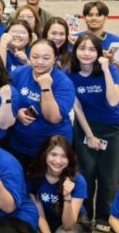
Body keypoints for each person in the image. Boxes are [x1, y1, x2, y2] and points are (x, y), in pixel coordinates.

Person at [69, 33, 119, 233]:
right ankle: (85, 214)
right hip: (86, 126)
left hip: (115, 126)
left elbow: (113, 101)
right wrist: (90, 135)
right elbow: (77, 107)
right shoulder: (70, 74)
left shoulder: (109, 69)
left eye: (92, 49)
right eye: (82, 48)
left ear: (98, 52)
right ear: (75, 51)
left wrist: (105, 69)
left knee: (109, 173)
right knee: (86, 171)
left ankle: (105, 215)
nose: (86, 53)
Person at [25, 136, 92, 233]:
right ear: (45, 155)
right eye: (53, 154)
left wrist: (67, 196)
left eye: (64, 156)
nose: (58, 161)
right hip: (47, 221)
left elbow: (68, 225)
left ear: (70, 158)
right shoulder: (35, 177)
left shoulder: (77, 181)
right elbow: (41, 217)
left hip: (73, 222)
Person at [8, 39, 76, 168]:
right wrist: (16, 112)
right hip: (18, 144)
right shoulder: (18, 73)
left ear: (54, 59)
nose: (39, 62)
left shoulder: (63, 83)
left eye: (46, 58)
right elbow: (5, 98)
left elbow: (53, 118)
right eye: (35, 57)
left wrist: (46, 87)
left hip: (51, 150)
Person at [80, 0, 119, 76]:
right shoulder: (75, 39)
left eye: (98, 15)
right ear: (84, 18)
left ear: (105, 17)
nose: (94, 18)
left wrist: (112, 61)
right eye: (90, 15)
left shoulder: (118, 42)